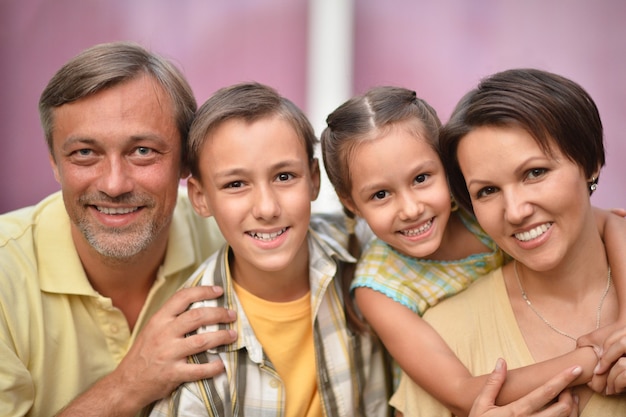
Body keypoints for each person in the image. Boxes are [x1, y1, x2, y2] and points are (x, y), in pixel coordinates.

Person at [320, 85, 626, 416]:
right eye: (380, 195)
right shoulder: (379, 288)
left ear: (451, 173)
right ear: (351, 203)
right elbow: (462, 391)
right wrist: (596, 357)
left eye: (422, 178)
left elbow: (608, 223)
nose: (410, 209)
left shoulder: (482, 210)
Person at [0, 42, 237, 417]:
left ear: (185, 162)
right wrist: (127, 386)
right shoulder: (5, 273)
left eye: (142, 151)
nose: (114, 184)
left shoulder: (232, 244)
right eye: (84, 153)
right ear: (54, 163)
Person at [146, 82, 389, 417]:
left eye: (284, 176)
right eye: (236, 184)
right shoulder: (194, 343)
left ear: (314, 179)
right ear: (200, 198)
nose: (266, 207)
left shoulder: (361, 248)